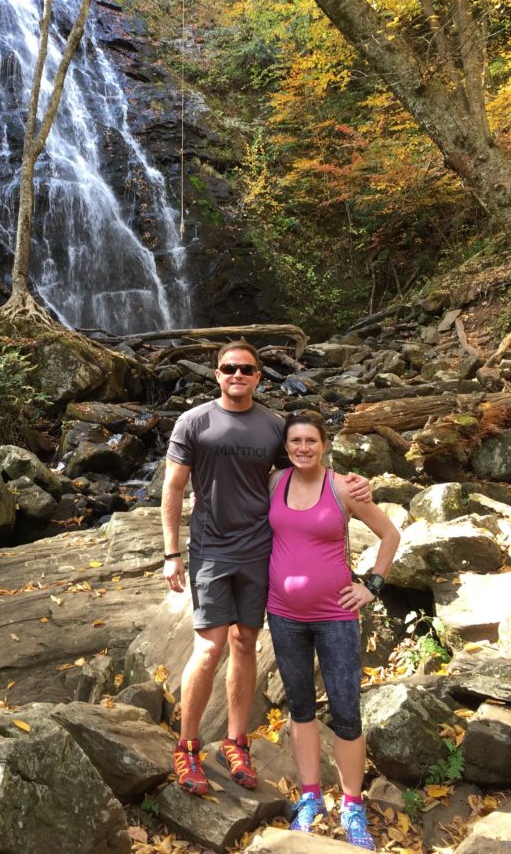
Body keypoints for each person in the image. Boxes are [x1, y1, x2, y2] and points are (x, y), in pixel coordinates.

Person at [161, 341, 371, 797]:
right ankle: (187, 745)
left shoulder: (274, 427)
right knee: (209, 646)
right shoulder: (193, 421)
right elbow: (173, 487)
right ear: (217, 374)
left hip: (260, 551)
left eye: (247, 369)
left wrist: (350, 483)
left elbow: (303, 466)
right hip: (212, 550)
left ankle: (237, 742)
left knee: (244, 641)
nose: (237, 374)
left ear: (259, 376)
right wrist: (171, 552)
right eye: (229, 368)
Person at [267, 409, 400, 850]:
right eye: (295, 442)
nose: (302, 448)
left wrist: (371, 587)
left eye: (310, 441)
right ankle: (309, 797)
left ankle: (352, 803)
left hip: (336, 616)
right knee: (301, 707)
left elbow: (389, 535)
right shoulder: (274, 483)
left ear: (324, 444)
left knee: (346, 712)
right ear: (285, 447)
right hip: (282, 613)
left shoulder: (343, 487)